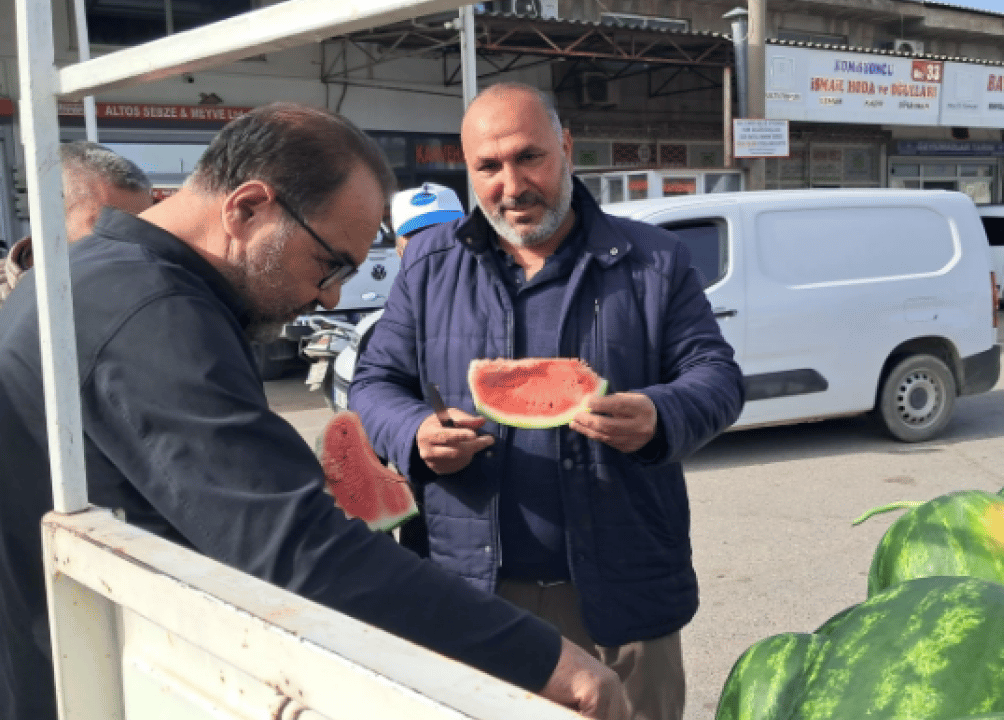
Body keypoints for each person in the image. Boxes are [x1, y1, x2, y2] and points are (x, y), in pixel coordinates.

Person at [0, 102, 627, 720]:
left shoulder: (92, 270)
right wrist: (549, 661)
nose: (327, 295)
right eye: (330, 265)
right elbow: (299, 550)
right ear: (248, 208)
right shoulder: (151, 312)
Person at [349, 82, 746, 720]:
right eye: (489, 167)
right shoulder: (429, 269)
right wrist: (414, 434)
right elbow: (373, 383)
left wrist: (661, 415)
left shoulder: (654, 262)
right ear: (468, 170)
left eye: (529, 156)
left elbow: (717, 376)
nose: (512, 184)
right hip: (472, 590)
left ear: (564, 147)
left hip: (622, 598)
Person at [0, 140, 154, 306]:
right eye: (108, 226)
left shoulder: (153, 293)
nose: (132, 247)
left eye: (140, 229)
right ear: (48, 215)